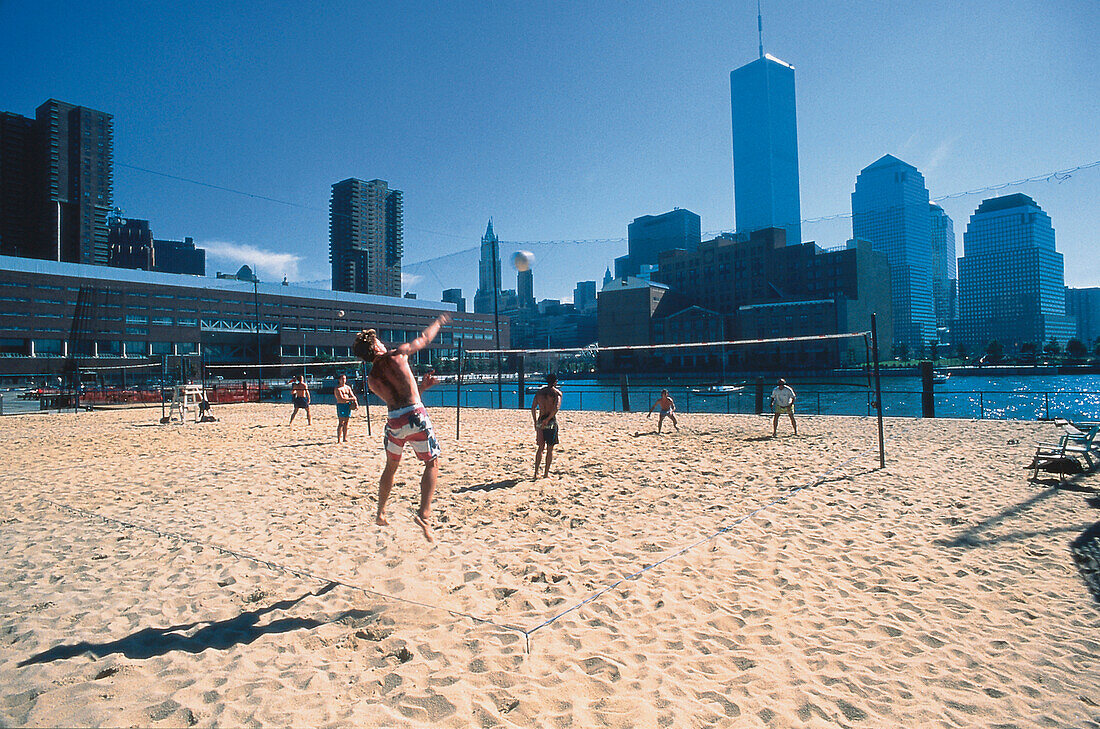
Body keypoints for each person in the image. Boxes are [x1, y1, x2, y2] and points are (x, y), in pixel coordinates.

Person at [353, 314, 450, 542]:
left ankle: (381, 512)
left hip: (394, 421)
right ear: (376, 345)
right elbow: (425, 338)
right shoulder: (398, 355)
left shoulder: (371, 379)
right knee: (432, 462)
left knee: (391, 467)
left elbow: (397, 401)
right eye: (379, 341)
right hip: (415, 414)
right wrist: (439, 322)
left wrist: (421, 387)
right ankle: (424, 515)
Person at [531, 374, 562, 479]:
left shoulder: (539, 393)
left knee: (540, 448)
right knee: (549, 449)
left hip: (540, 421)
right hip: (550, 422)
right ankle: (546, 474)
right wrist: (548, 419)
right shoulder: (557, 393)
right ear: (555, 382)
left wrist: (535, 421)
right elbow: (556, 408)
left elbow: (533, 407)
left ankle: (535, 473)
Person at [333, 374, 358, 443]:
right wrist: (351, 399)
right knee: (341, 422)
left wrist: (356, 403)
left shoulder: (347, 387)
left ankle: (344, 438)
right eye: (342, 379)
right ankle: (339, 439)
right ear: (339, 380)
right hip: (341, 405)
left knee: (346, 422)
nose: (344, 380)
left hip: (347, 405)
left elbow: (353, 396)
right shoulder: (338, 389)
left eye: (345, 379)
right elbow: (341, 399)